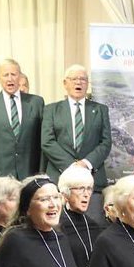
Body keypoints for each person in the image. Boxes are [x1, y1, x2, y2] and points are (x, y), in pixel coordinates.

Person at [40, 64, 111, 205]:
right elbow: (47, 142)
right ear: (65, 83)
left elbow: (106, 142)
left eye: (83, 79)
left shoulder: (100, 110)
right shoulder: (51, 110)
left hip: (92, 181)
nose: (78, 82)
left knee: (92, 219)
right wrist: (72, 166)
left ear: (87, 84)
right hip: (59, 180)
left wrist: (85, 164)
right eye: (74, 79)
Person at [0, 59, 44, 179]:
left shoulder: (36, 102)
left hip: (30, 173)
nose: (10, 79)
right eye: (5, 75)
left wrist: (42, 172)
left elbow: (42, 141)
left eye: (13, 74)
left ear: (20, 77)